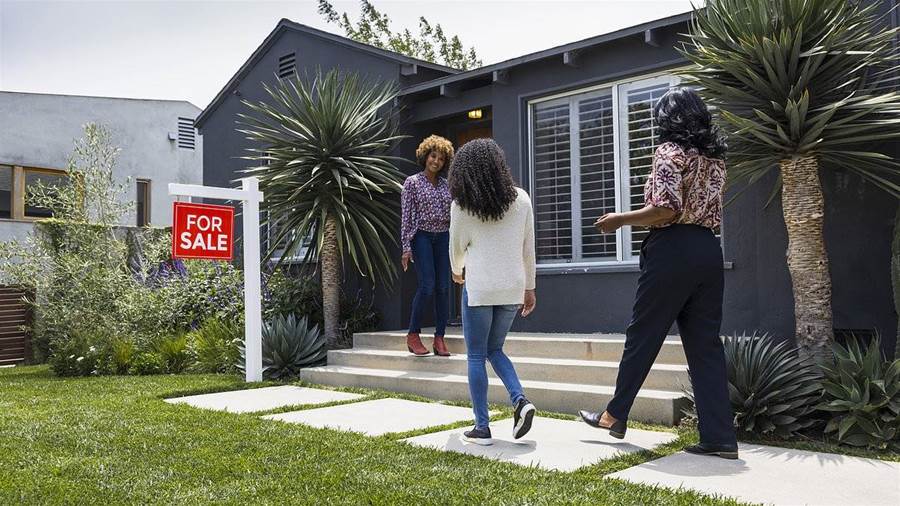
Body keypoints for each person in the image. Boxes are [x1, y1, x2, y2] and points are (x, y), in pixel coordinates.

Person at [578, 88, 739, 460]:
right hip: (707, 249)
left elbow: (666, 209)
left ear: (668, 119)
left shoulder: (669, 152)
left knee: (644, 334)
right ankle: (720, 437)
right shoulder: (715, 158)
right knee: (705, 346)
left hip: (673, 250)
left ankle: (614, 415)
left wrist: (619, 220)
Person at [448, 138, 537, 445]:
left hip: (480, 289)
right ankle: (520, 400)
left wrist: (457, 272)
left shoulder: (462, 206)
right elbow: (528, 250)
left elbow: (456, 249)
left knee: (476, 355)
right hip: (512, 288)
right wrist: (530, 287)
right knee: (495, 349)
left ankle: (482, 427)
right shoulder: (522, 199)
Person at [401, 135, 455, 357]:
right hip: (421, 236)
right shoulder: (412, 182)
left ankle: (439, 338)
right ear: (425, 156)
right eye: (433, 156)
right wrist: (406, 246)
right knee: (427, 286)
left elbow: (454, 213)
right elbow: (406, 215)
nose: (436, 161)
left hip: (443, 237)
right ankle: (413, 334)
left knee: (443, 288)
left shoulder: (446, 185)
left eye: (441, 159)